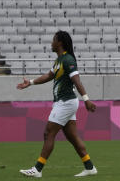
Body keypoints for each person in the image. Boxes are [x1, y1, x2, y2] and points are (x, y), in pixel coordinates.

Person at [17, 31, 98, 178]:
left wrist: (86, 99)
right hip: (64, 102)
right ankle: (90, 167)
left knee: (48, 133)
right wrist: (31, 82)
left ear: (59, 42)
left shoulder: (67, 59)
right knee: (72, 137)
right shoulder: (59, 60)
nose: (51, 43)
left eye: (53, 40)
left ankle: (37, 169)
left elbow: (77, 80)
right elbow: (49, 76)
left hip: (66, 102)